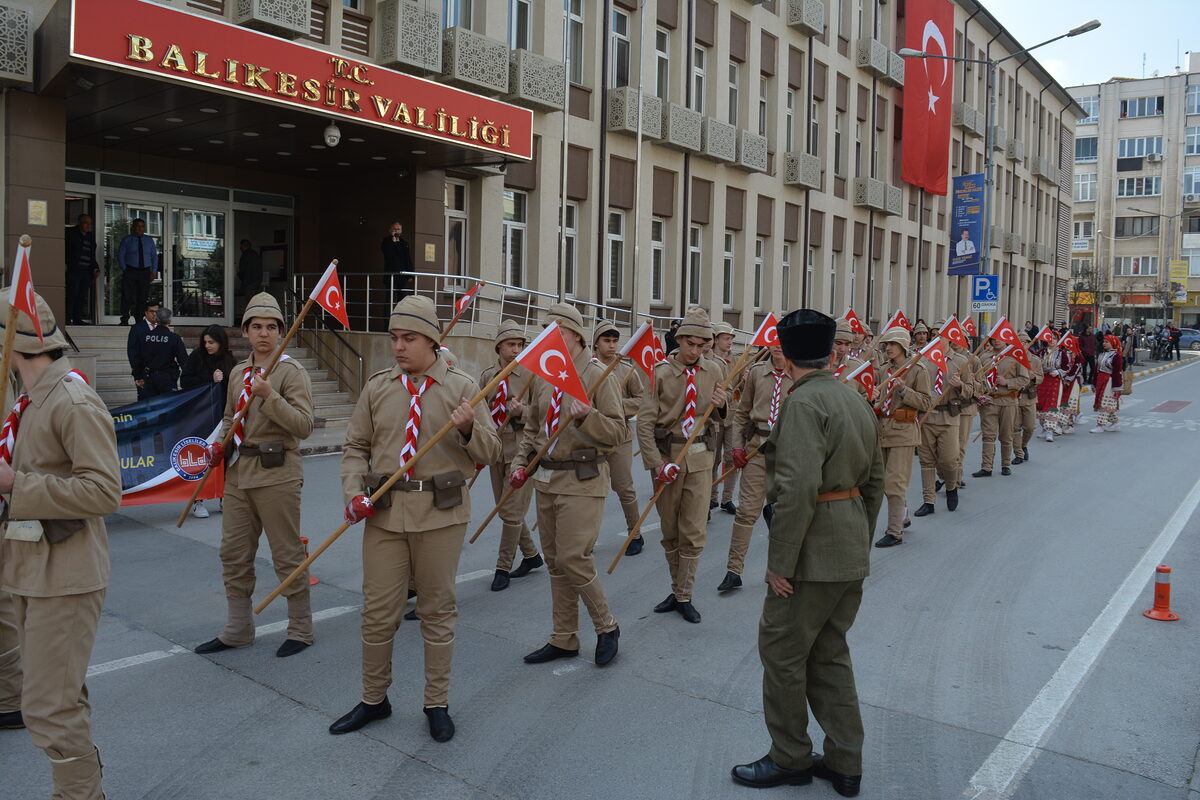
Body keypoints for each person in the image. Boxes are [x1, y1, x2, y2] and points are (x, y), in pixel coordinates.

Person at [333, 295, 500, 743]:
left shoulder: (462, 387)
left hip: (440, 515)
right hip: (385, 515)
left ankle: (436, 703)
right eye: (394, 337)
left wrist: (467, 429)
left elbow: (492, 452)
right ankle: (374, 700)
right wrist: (353, 493)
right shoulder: (379, 387)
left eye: (409, 338)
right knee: (377, 613)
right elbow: (355, 448)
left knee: (437, 612)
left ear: (432, 340)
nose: (399, 347)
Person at [730, 309, 883, 798]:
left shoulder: (802, 403)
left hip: (812, 551)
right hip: (848, 541)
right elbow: (875, 480)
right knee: (830, 653)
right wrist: (858, 536)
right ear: (830, 350)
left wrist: (780, 562)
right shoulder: (851, 396)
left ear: (785, 352)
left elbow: (795, 490)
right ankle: (845, 763)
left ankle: (790, 756)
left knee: (783, 653)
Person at [0, 291, 122, 799]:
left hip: (66, 575)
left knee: (50, 708)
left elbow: (104, 491)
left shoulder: (72, 400)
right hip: (30, 568)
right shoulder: (27, 400)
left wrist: (14, 485)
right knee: (55, 699)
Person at [195, 293, 315, 659]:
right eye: (257, 326)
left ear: (281, 331)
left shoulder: (290, 372)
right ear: (246, 331)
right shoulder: (237, 373)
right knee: (233, 553)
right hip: (238, 473)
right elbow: (232, 418)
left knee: (286, 553)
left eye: (271, 327)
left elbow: (304, 425)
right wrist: (220, 444)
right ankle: (238, 628)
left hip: (277, 473)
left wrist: (269, 396)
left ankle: (301, 627)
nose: (264, 334)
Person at [511, 304, 625, 668]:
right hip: (546, 477)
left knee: (573, 558)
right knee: (556, 564)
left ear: (574, 334)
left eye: (553, 329)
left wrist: (587, 416)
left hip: (583, 477)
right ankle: (564, 637)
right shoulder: (546, 374)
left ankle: (607, 626)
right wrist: (519, 465)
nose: (545, 335)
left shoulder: (597, 375)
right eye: (543, 329)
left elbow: (619, 432)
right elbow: (533, 428)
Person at [638, 307, 727, 623]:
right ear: (679, 340)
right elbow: (645, 425)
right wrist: (655, 464)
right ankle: (677, 589)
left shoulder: (714, 371)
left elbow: (721, 417)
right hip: (668, 459)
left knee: (693, 531)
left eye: (703, 346)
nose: (697, 351)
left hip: (700, 457)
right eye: (691, 344)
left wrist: (721, 406)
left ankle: (684, 595)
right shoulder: (659, 373)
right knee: (670, 531)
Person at [719, 342, 793, 593]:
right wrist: (737, 447)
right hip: (757, 449)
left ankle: (779, 570)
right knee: (746, 512)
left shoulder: (799, 376)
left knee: (783, 515)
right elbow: (742, 413)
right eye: (775, 343)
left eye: (784, 343)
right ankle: (733, 570)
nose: (779, 348)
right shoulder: (757, 373)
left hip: (788, 453)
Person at [478, 320, 543, 592]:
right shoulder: (486, 376)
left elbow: (543, 415)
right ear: (499, 347)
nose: (515, 350)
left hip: (521, 450)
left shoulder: (531, 375)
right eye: (510, 345)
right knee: (507, 511)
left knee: (511, 512)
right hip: (496, 449)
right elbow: (481, 411)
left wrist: (522, 412)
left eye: (519, 345)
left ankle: (502, 566)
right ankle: (532, 556)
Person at [870, 327, 931, 548]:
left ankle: (894, 532)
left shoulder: (917, 370)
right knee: (885, 481)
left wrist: (905, 392)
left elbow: (926, 403)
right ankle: (902, 517)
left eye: (892, 344)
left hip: (904, 431)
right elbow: (875, 399)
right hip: (883, 429)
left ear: (903, 347)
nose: (888, 348)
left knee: (895, 482)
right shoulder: (883, 370)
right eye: (886, 344)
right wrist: (873, 396)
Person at [592, 321, 647, 556]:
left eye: (615, 341)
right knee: (592, 491)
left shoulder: (626, 370)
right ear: (596, 343)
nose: (612, 346)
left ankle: (635, 534)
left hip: (620, 437)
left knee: (624, 488)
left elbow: (643, 400)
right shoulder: (587, 369)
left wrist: (616, 405)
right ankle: (587, 539)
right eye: (607, 341)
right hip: (592, 437)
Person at [913, 321, 972, 518]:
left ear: (949, 338)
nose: (937, 338)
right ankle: (928, 501)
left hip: (949, 417)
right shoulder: (922, 360)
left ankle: (951, 487)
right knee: (926, 461)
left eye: (941, 335)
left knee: (948, 459)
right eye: (934, 334)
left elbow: (971, 391)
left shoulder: (961, 362)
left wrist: (960, 385)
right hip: (927, 415)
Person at [973, 336, 1030, 478]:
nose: (996, 341)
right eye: (994, 339)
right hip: (989, 401)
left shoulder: (1015, 356)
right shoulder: (984, 357)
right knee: (988, 435)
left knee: (1006, 435)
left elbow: (1024, 379)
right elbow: (977, 378)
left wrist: (1007, 382)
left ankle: (1005, 464)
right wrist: (979, 394)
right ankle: (986, 467)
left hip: (1008, 401)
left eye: (999, 339)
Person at [708, 322, 740, 515]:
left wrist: (745, 379)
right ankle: (712, 497)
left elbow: (740, 391)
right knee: (712, 459)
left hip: (733, 415)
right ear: (716, 339)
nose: (729, 342)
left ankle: (727, 499)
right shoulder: (709, 361)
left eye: (731, 339)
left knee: (732, 458)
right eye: (726, 338)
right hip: (714, 417)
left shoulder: (738, 360)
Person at [131, 306, 187, 398]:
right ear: (169, 321)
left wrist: (138, 376)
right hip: (167, 379)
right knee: (168, 408)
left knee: (148, 409)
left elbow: (137, 357)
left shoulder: (144, 336)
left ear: (156, 319)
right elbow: (184, 360)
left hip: (148, 378)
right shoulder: (174, 338)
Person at [116, 218, 158, 326]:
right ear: (133, 227)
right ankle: (124, 319)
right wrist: (125, 269)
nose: (140, 228)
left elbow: (154, 256)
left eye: (142, 226)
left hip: (145, 271)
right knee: (127, 296)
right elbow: (121, 255)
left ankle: (139, 319)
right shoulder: (127, 239)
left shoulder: (149, 240)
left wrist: (154, 271)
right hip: (130, 270)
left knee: (142, 297)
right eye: (138, 226)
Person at [1012, 332, 1042, 465]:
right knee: (1015, 427)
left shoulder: (1035, 360)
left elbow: (1041, 377)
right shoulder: (1012, 359)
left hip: (1029, 397)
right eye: (1020, 342)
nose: (1023, 345)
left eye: (1025, 342)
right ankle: (1018, 453)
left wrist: (1034, 377)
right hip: (1014, 396)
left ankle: (1023, 445)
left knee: (1029, 427)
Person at [181, 324, 236, 396]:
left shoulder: (228, 359)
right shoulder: (197, 355)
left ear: (220, 342)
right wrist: (210, 379)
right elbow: (184, 381)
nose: (207, 346)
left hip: (220, 403)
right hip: (200, 402)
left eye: (211, 342)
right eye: (205, 342)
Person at [64, 214, 99, 325]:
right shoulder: (70, 233)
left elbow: (92, 255)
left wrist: (95, 268)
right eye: (85, 223)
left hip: (86, 270)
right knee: (72, 293)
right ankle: (67, 318)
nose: (88, 225)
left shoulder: (90, 237)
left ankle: (77, 318)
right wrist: (64, 262)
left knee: (82, 295)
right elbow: (63, 248)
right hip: (74, 269)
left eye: (90, 223)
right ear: (80, 222)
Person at [1091, 334, 1124, 433]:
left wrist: (1116, 388)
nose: (1104, 343)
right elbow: (1096, 370)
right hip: (1101, 381)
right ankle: (1115, 423)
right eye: (1104, 341)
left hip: (1109, 382)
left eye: (1106, 342)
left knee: (1104, 403)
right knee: (1107, 404)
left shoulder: (1116, 356)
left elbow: (1117, 372)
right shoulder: (1101, 355)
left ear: (1113, 343)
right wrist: (1094, 383)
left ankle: (1099, 425)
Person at [126, 301, 159, 400]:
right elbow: (133, 352)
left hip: (161, 375)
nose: (154, 314)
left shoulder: (163, 327)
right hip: (144, 374)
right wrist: (138, 375)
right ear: (146, 313)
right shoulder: (137, 328)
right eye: (151, 311)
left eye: (156, 312)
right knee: (144, 402)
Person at [1036, 337, 1066, 442]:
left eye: (1054, 338)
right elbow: (1035, 364)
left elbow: (1067, 367)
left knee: (1052, 405)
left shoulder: (1062, 353)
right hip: (1043, 380)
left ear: (1058, 340)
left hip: (1055, 381)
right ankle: (1044, 428)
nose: (1051, 340)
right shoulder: (1041, 352)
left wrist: (1058, 371)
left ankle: (1050, 430)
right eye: (1049, 338)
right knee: (1041, 405)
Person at [380, 222, 414, 298]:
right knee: (389, 299)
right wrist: (393, 241)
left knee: (402, 300)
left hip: (402, 276)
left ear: (401, 231)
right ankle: (388, 310)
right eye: (394, 229)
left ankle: (400, 311)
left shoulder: (404, 243)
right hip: (391, 275)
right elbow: (388, 253)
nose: (396, 231)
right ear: (390, 230)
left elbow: (407, 259)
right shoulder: (386, 241)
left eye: (398, 229)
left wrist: (410, 274)